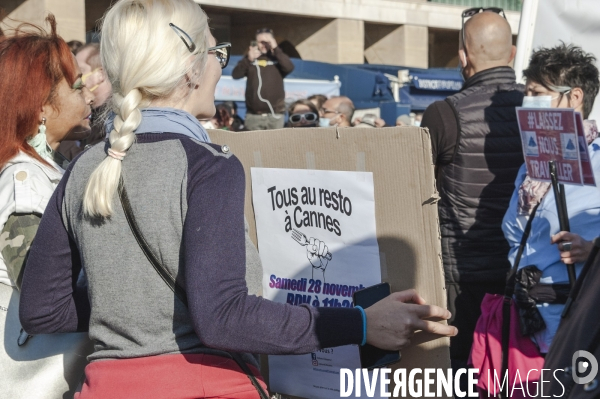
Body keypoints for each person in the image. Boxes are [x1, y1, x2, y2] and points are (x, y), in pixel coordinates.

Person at [18, 1, 456, 398]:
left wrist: (131, 304)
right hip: (203, 384)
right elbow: (222, 316)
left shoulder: (83, 166)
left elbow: (42, 310)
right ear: (191, 68)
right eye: (216, 54)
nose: (221, 69)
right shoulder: (206, 164)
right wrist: (361, 323)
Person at [420, 8, 525, 372]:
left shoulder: (444, 113)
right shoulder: (541, 109)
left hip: (464, 277)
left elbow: (419, 190)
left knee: (465, 370)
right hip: (526, 274)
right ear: (511, 53)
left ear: (463, 57)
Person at [0, 16, 94, 398]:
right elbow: (41, 290)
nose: (88, 96)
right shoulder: (24, 182)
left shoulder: (46, 172)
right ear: (40, 106)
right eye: (75, 88)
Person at [502, 43, 600, 354]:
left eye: (538, 92)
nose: (528, 101)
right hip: (525, 323)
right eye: (526, 93)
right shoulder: (530, 165)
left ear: (574, 97)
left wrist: (594, 249)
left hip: (576, 326)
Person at [58, 43, 113, 160]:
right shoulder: (93, 113)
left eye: (81, 72)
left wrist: (61, 137)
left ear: (100, 75)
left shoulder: (112, 117)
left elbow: (89, 163)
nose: (75, 78)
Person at [232, 28, 294, 131]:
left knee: (275, 145)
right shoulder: (250, 59)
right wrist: (248, 59)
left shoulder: (277, 58)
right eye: (261, 42)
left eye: (267, 42)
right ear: (256, 43)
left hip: (275, 115)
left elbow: (289, 67)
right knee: (254, 145)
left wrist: (276, 48)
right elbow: (236, 75)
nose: (264, 45)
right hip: (254, 116)